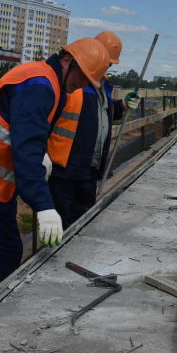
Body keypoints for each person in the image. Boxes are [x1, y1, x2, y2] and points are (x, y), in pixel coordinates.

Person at [0, 38, 111, 313]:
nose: (81, 84)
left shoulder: (49, 82)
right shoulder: (40, 86)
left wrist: (42, 155)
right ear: (68, 61)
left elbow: (30, 135)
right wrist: (44, 207)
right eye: (82, 77)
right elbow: (26, 150)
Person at [47, 31, 140, 229]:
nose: (108, 66)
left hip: (89, 169)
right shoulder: (73, 81)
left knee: (83, 224)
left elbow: (100, 117)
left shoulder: (102, 87)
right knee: (61, 225)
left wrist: (122, 106)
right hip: (64, 169)